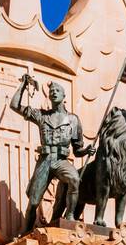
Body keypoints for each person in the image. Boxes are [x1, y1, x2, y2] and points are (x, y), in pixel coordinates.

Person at [10, 71, 89, 231]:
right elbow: (15, 105)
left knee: (74, 179)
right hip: (45, 160)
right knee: (33, 202)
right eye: (52, 91)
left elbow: (78, 149)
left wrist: (87, 150)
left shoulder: (73, 120)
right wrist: (23, 85)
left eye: (57, 90)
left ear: (64, 95)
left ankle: (70, 216)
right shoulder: (42, 116)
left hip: (61, 160)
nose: (54, 92)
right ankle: (26, 232)